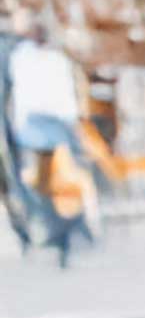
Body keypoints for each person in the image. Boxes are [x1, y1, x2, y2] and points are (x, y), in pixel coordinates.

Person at [4, 14, 102, 266]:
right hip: (37, 125)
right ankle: (60, 224)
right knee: (42, 180)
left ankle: (74, 223)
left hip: (50, 124)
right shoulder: (22, 57)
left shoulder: (38, 58)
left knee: (63, 176)